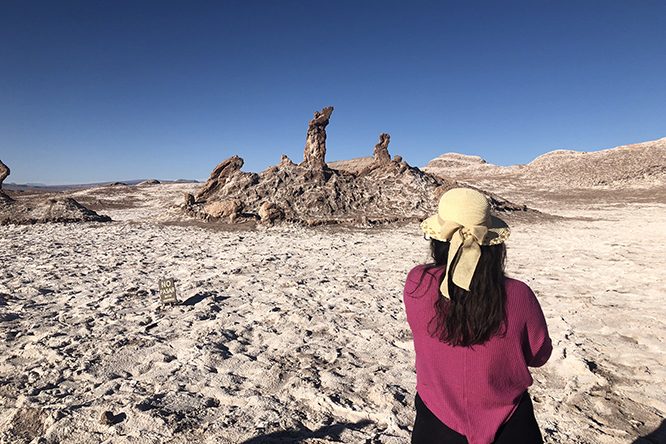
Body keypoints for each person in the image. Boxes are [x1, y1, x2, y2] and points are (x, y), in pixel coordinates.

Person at [403, 188, 552, 444]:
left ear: (437, 240)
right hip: (510, 424)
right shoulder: (518, 294)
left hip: (435, 424)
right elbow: (539, 355)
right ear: (494, 244)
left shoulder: (418, 283)